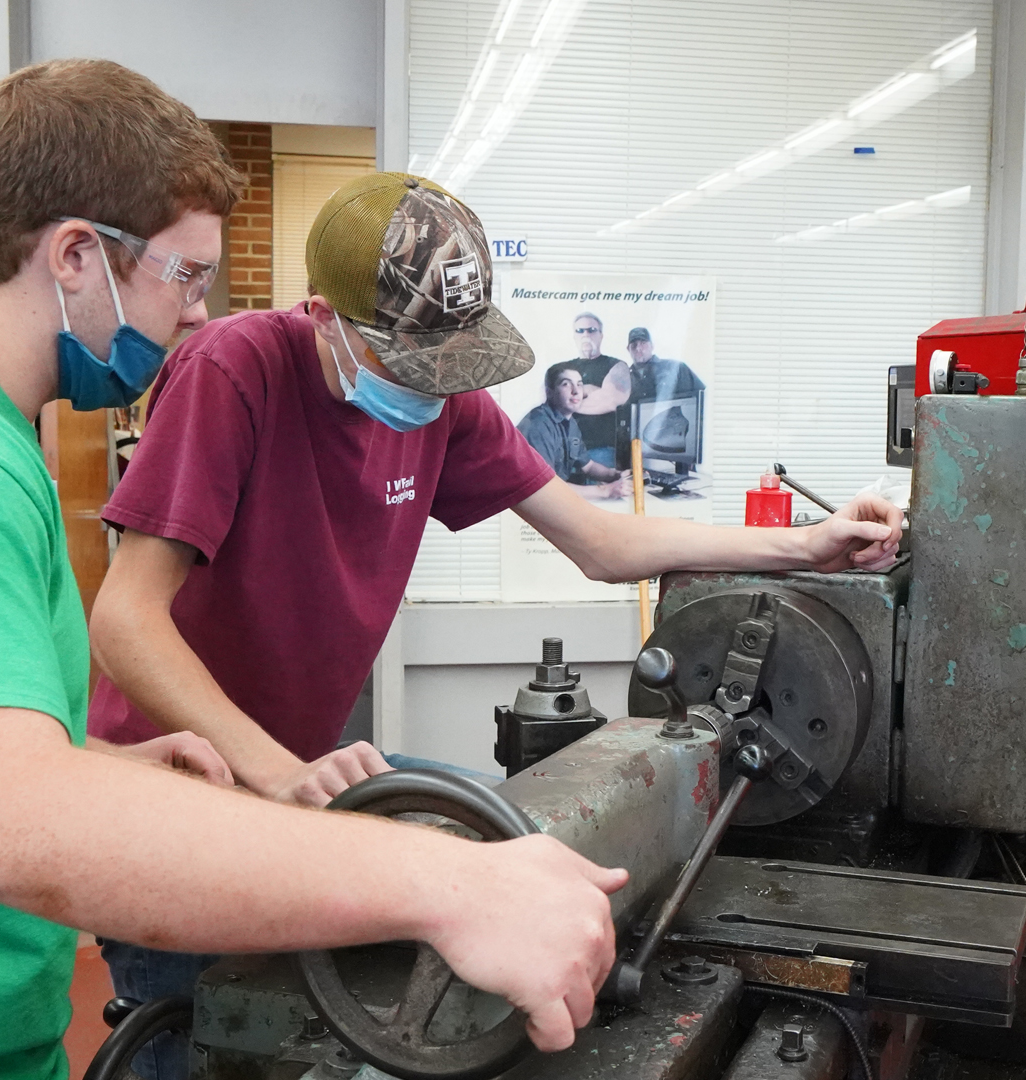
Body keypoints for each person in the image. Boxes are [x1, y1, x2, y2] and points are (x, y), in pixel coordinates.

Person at [0, 60, 629, 1080]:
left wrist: (104, 770)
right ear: (76, 254)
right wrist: (447, 886)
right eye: (186, 276)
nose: (199, 315)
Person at [84, 170, 903, 1054]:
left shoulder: (442, 401)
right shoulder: (232, 369)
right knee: (204, 1036)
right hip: (182, 786)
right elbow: (125, 621)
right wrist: (276, 774)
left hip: (301, 781)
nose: (432, 388)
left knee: (515, 845)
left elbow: (601, 542)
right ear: (324, 316)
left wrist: (805, 546)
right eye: (411, 364)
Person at [519, 362, 633, 499]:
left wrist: (615, 475)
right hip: (526, 502)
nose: (576, 391)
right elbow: (547, 486)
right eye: (566, 384)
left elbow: (588, 466)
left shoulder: (570, 423)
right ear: (549, 392)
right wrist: (605, 491)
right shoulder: (538, 425)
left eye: (579, 384)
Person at [566, 310, 630, 465]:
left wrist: (567, 402)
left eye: (591, 330)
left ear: (601, 335)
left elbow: (610, 401)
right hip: (563, 452)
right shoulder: (561, 369)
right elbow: (548, 403)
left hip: (601, 452)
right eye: (580, 330)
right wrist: (589, 391)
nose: (586, 334)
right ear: (574, 336)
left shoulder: (617, 366)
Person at [626, 326, 705, 404]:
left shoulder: (676, 368)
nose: (638, 348)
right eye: (634, 345)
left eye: (643, 343)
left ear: (652, 346)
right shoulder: (624, 379)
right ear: (628, 349)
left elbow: (698, 396)